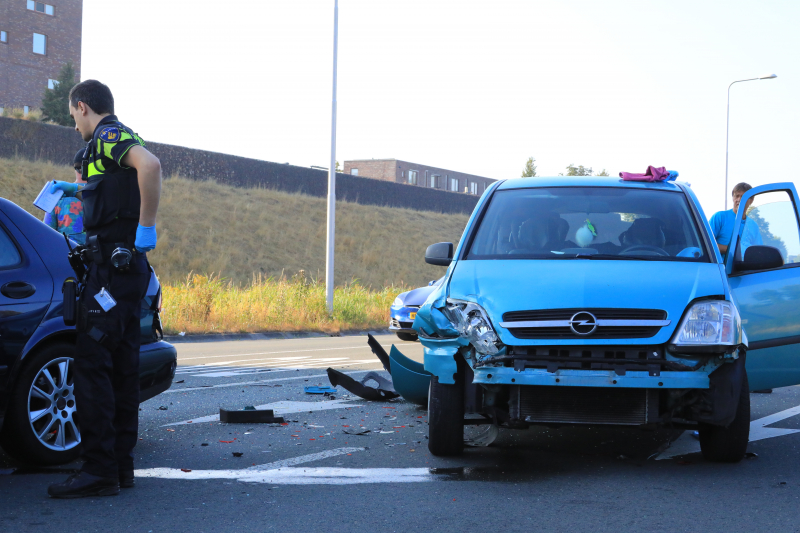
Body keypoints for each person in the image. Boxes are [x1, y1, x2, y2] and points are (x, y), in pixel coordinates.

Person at [47, 80, 162, 499]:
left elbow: (150, 166)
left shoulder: (109, 135)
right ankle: (119, 467)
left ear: (83, 106)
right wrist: (74, 191)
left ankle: (98, 470)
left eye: (73, 116)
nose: (74, 124)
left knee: (92, 365)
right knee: (122, 368)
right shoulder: (103, 149)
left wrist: (147, 227)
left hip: (114, 270)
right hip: (123, 270)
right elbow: (114, 191)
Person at [44, 147, 89, 244]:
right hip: (98, 251)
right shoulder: (104, 196)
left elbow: (47, 233)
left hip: (66, 251)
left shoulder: (58, 195)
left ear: (75, 168)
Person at [709, 182, 762, 257]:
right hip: (722, 264)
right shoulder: (720, 217)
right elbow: (706, 244)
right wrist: (734, 251)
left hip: (747, 265)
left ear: (751, 200)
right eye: (736, 196)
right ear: (733, 198)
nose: (739, 199)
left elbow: (759, 252)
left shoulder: (753, 225)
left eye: (743, 197)